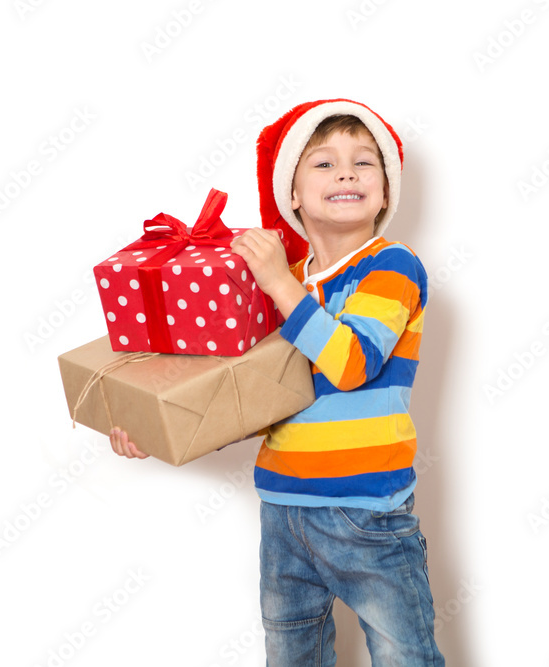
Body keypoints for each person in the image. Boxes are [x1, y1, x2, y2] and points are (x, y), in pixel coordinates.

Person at [110, 99, 443, 665]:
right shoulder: (283, 284)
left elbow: (352, 361)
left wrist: (277, 286)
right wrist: (155, 427)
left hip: (367, 510)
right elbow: (253, 397)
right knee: (292, 655)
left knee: (405, 656)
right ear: (291, 193)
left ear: (385, 193)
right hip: (282, 508)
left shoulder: (392, 266)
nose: (345, 173)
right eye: (323, 164)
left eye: (365, 163)